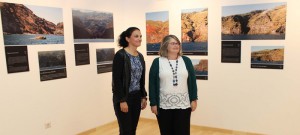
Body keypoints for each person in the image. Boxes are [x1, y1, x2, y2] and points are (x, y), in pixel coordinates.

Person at [149, 35, 198, 135]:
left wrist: (194, 99)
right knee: (166, 132)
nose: (176, 45)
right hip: (164, 105)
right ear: (165, 45)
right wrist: (153, 103)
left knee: (183, 132)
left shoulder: (186, 61)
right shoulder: (157, 62)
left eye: (177, 43)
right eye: (173, 43)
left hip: (183, 104)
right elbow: (152, 84)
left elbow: (193, 81)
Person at [112, 27, 147, 135]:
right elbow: (116, 80)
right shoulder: (120, 55)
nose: (140, 38)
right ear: (127, 39)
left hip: (136, 97)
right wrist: (122, 100)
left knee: (132, 129)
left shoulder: (140, 56)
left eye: (140, 36)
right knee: (125, 130)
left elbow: (141, 79)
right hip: (124, 97)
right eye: (136, 36)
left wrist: (143, 96)